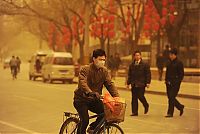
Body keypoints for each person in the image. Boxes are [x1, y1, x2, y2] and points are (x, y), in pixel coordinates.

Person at [73, 49, 119, 134]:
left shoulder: (104, 71)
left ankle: (93, 128)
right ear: (94, 59)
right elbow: (82, 83)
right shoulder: (85, 69)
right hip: (81, 100)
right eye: (100, 59)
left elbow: (109, 84)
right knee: (85, 120)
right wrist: (90, 92)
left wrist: (116, 97)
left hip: (94, 99)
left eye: (104, 60)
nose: (102, 62)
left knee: (106, 113)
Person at [127, 50, 151, 116]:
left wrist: (148, 82)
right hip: (134, 83)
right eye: (136, 55)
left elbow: (148, 74)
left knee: (141, 96)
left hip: (141, 83)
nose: (137, 56)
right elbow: (130, 74)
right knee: (134, 98)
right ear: (134, 56)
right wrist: (128, 83)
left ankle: (146, 105)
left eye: (138, 55)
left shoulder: (145, 64)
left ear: (140, 56)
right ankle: (134, 112)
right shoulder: (132, 65)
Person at [165, 48, 184, 118]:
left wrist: (178, 81)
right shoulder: (169, 62)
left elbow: (181, 74)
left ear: (175, 55)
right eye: (170, 55)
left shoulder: (179, 63)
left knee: (172, 97)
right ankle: (180, 107)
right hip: (168, 83)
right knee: (170, 97)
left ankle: (170, 113)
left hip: (175, 83)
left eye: (172, 55)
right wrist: (166, 80)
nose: (171, 56)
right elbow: (167, 73)